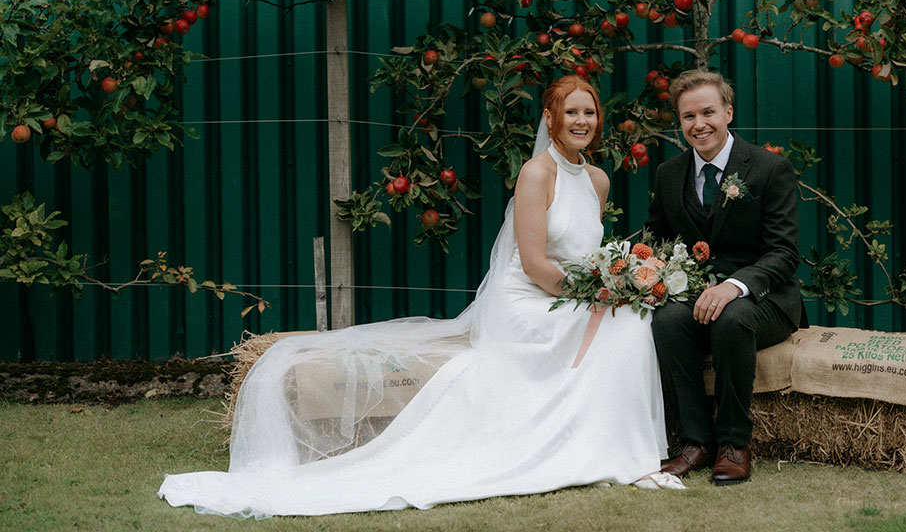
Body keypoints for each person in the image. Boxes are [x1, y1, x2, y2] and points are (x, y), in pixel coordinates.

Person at [159, 75, 680, 518]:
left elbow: (585, 255)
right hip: (527, 301)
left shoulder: (598, 180)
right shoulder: (535, 174)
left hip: (571, 293)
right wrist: (597, 293)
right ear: (551, 116)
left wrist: (613, 282)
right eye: (572, 112)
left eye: (590, 112)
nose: (582, 121)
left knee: (632, 320)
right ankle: (618, 453)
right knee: (623, 321)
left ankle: (623, 451)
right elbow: (538, 264)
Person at [643, 69, 807, 485]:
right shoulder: (667, 174)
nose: (699, 125)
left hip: (765, 299)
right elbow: (660, 240)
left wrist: (734, 286)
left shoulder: (770, 169)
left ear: (728, 112)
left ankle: (734, 443)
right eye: (687, 117)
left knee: (732, 319)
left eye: (708, 112)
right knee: (666, 321)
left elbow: (785, 253)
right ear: (679, 122)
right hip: (697, 299)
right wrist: (651, 273)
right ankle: (695, 442)